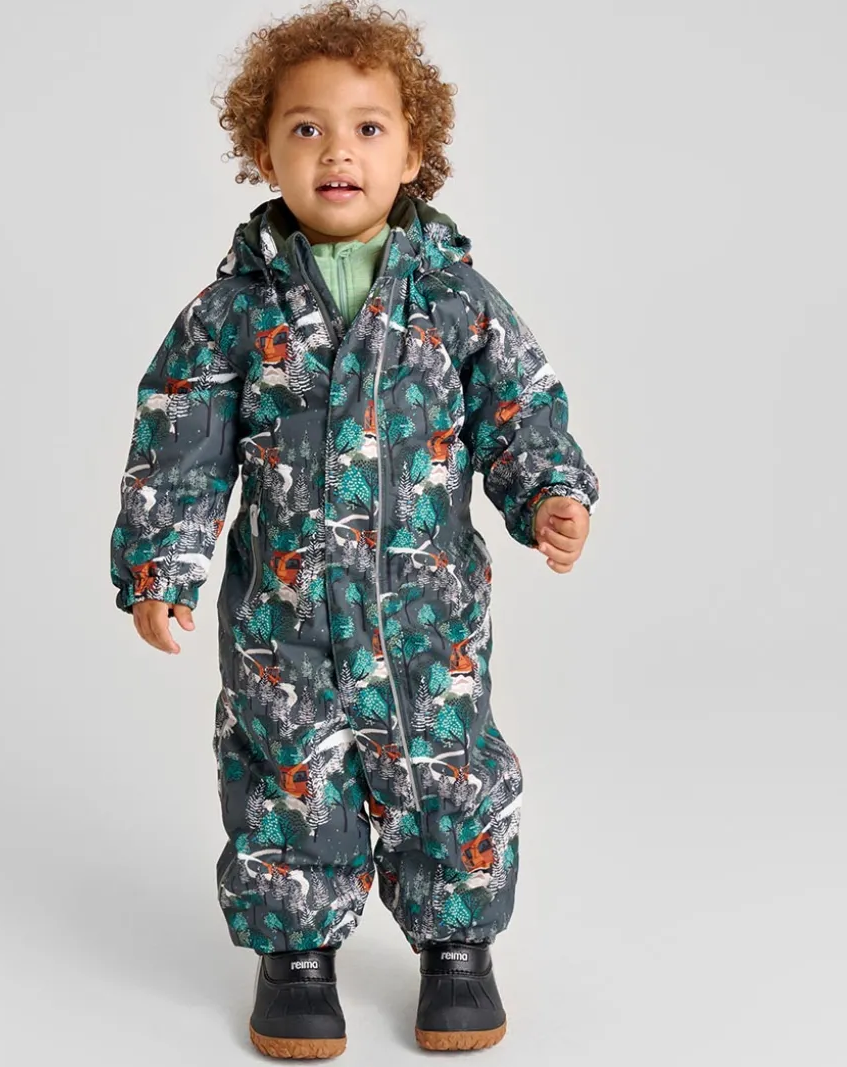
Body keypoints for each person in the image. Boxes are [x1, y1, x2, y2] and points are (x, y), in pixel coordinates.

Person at [109, 0, 600, 1057]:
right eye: (307, 128)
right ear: (263, 153)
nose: (338, 151)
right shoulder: (231, 313)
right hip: (283, 627)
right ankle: (296, 955)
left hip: (428, 621)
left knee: (448, 768)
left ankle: (457, 945)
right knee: (286, 773)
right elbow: (179, 444)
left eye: (368, 128)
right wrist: (161, 564)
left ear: (414, 153)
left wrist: (549, 494)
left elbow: (519, 410)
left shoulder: (455, 301)